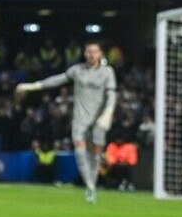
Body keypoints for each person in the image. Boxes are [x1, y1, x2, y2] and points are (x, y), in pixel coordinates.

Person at [16, 40, 117, 204]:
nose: (91, 55)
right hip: (80, 119)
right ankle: (90, 186)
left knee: (95, 155)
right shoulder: (77, 70)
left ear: (100, 54)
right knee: (80, 153)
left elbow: (111, 94)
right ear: (84, 53)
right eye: (88, 51)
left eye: (94, 51)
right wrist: (33, 86)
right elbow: (57, 80)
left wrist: (108, 112)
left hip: (99, 120)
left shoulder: (107, 72)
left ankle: (92, 184)